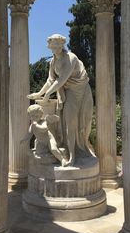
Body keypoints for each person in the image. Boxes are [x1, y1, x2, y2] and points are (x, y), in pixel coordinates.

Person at [28, 34, 95, 166]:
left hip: (82, 92)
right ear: (50, 47)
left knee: (85, 123)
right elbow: (51, 80)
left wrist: (47, 94)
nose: (56, 47)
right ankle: (72, 156)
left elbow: (62, 79)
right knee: (70, 122)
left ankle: (83, 148)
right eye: (53, 45)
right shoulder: (53, 62)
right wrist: (40, 93)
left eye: (58, 44)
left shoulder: (71, 58)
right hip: (70, 93)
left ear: (62, 45)